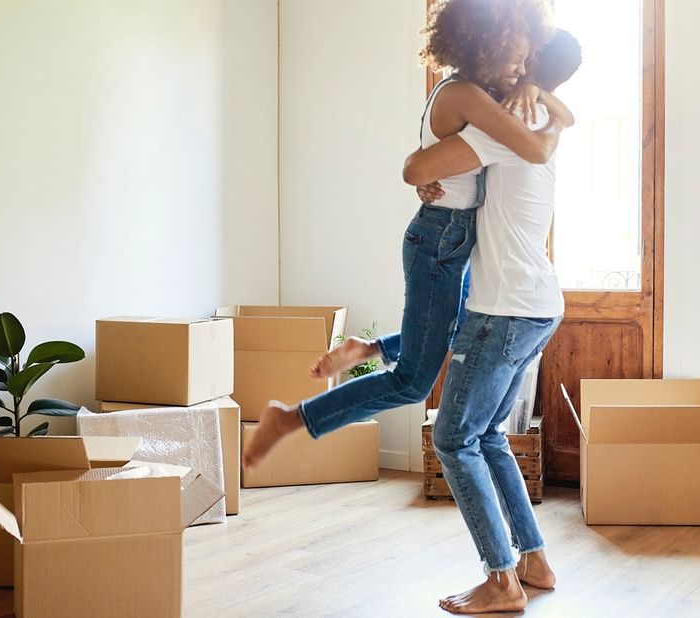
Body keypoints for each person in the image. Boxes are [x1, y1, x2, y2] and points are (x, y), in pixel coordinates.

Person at [242, 0, 558, 468]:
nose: (518, 67)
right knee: (413, 381)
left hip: (455, 235)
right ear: (482, 47)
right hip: (439, 240)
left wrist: (533, 85)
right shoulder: (466, 94)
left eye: (526, 58)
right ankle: (289, 419)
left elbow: (424, 162)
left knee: (459, 334)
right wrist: (560, 121)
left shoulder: (474, 94)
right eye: (512, 55)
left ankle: (366, 350)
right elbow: (526, 149)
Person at [402, 29, 582, 614]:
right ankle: (533, 558)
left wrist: (419, 168)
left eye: (520, 55)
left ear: (528, 66)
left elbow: (418, 168)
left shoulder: (501, 131)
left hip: (503, 308)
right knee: (489, 436)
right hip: (538, 304)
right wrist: (557, 112)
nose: (508, 64)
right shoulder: (533, 122)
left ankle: (501, 581)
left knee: (453, 438)